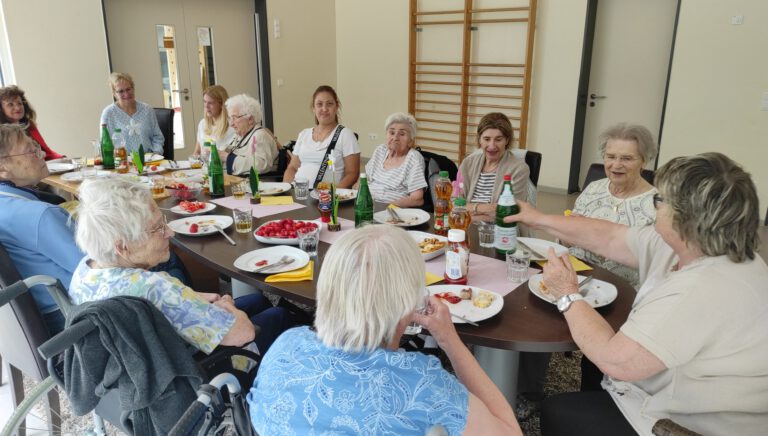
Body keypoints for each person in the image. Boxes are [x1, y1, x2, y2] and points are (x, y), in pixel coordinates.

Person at [506, 152, 768, 435]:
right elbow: (608, 236)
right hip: (665, 388)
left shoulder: (704, 288)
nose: (655, 204)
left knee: (559, 412)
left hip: (691, 422)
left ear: (687, 218)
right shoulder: (693, 245)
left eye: (660, 199)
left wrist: (566, 294)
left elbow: (615, 360)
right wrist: (539, 219)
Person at [248, 225, 522, 435]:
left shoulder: (286, 344)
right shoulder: (422, 385)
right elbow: (510, 432)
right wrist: (450, 341)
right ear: (407, 301)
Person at [69, 178, 292, 355]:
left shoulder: (85, 269)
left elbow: (162, 305)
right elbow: (244, 333)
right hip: (194, 373)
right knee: (280, 314)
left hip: (140, 358)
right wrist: (228, 307)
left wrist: (190, 296)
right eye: (158, 229)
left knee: (257, 300)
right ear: (122, 246)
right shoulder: (155, 287)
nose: (170, 233)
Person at [0, 124, 80, 334]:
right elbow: (98, 268)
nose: (42, 153)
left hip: (31, 317)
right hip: (69, 315)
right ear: (2, 168)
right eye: (31, 151)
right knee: (170, 263)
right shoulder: (40, 215)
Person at [571, 123, 657, 288]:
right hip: (575, 279)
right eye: (610, 156)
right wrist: (568, 235)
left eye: (626, 158)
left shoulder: (657, 205)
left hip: (622, 290)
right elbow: (568, 237)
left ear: (644, 161)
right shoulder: (593, 188)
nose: (616, 165)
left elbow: (652, 259)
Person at [283, 85, 360, 188]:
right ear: (313, 108)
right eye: (319, 104)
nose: (324, 109)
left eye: (329, 104)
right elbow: (292, 167)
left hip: (325, 199)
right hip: (298, 194)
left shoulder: (346, 135)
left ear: (336, 107)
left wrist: (333, 195)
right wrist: (286, 189)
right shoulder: (304, 134)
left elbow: (352, 174)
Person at [457, 112, 530, 221]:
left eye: (498, 139)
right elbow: (455, 201)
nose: (492, 146)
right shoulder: (468, 163)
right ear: (480, 140)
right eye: (486, 139)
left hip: (501, 229)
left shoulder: (519, 169)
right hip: (465, 225)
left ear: (507, 140)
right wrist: (483, 208)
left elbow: (509, 211)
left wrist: (468, 212)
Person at [364, 112, 427, 207]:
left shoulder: (414, 158)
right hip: (367, 204)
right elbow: (364, 180)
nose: (395, 137)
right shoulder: (380, 150)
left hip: (392, 210)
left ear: (410, 141)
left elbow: (417, 199)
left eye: (402, 134)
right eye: (392, 132)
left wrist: (390, 207)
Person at [100, 72, 164, 154]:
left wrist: (155, 154)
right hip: (122, 162)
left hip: (149, 161)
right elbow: (105, 144)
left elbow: (158, 137)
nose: (126, 94)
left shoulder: (147, 110)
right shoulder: (108, 113)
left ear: (133, 88)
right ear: (114, 94)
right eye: (121, 91)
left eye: (128, 89)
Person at [0, 85, 63, 160]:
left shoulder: (29, 125)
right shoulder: (2, 133)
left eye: (19, 103)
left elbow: (46, 151)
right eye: (10, 104)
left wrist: (63, 160)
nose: (17, 108)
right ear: (1, 109)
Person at [220, 94, 278, 176]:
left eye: (234, 118)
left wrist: (227, 158)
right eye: (230, 118)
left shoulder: (260, 136)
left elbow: (261, 165)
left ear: (250, 119)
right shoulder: (239, 137)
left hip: (260, 184)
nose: (231, 124)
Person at [191, 85, 236, 157]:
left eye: (210, 103)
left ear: (222, 104)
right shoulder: (202, 123)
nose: (206, 106)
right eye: (205, 102)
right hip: (203, 166)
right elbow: (197, 152)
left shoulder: (232, 126)